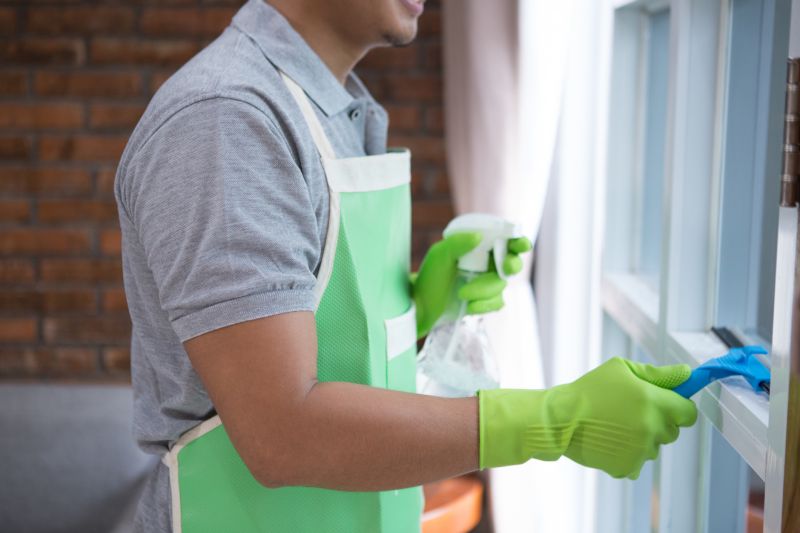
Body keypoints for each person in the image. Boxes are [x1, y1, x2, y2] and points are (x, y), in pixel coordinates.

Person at [114, 0, 698, 531]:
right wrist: (553, 423)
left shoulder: (336, 110)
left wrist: (416, 305)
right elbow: (281, 433)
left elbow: (318, 347)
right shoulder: (229, 121)